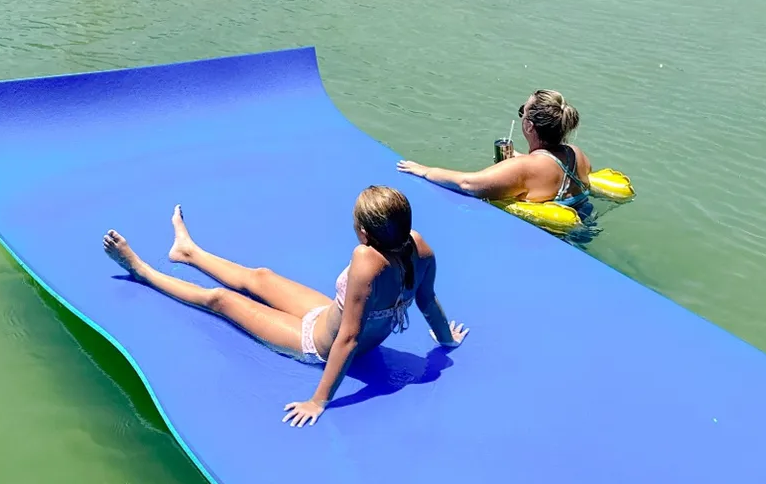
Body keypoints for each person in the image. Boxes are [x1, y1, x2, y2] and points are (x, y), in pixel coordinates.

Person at [102, 187, 467, 428]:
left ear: (365, 235)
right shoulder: (418, 247)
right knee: (261, 277)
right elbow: (427, 300)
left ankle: (141, 269)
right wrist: (446, 339)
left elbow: (348, 339)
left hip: (315, 342)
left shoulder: (366, 260)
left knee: (222, 300)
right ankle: (188, 252)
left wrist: (319, 400)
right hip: (328, 315)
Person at [397, 89, 592, 205]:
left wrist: (425, 171)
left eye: (522, 112)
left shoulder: (524, 167)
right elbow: (550, 169)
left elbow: (468, 184)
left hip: (551, 239)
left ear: (529, 126)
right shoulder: (577, 154)